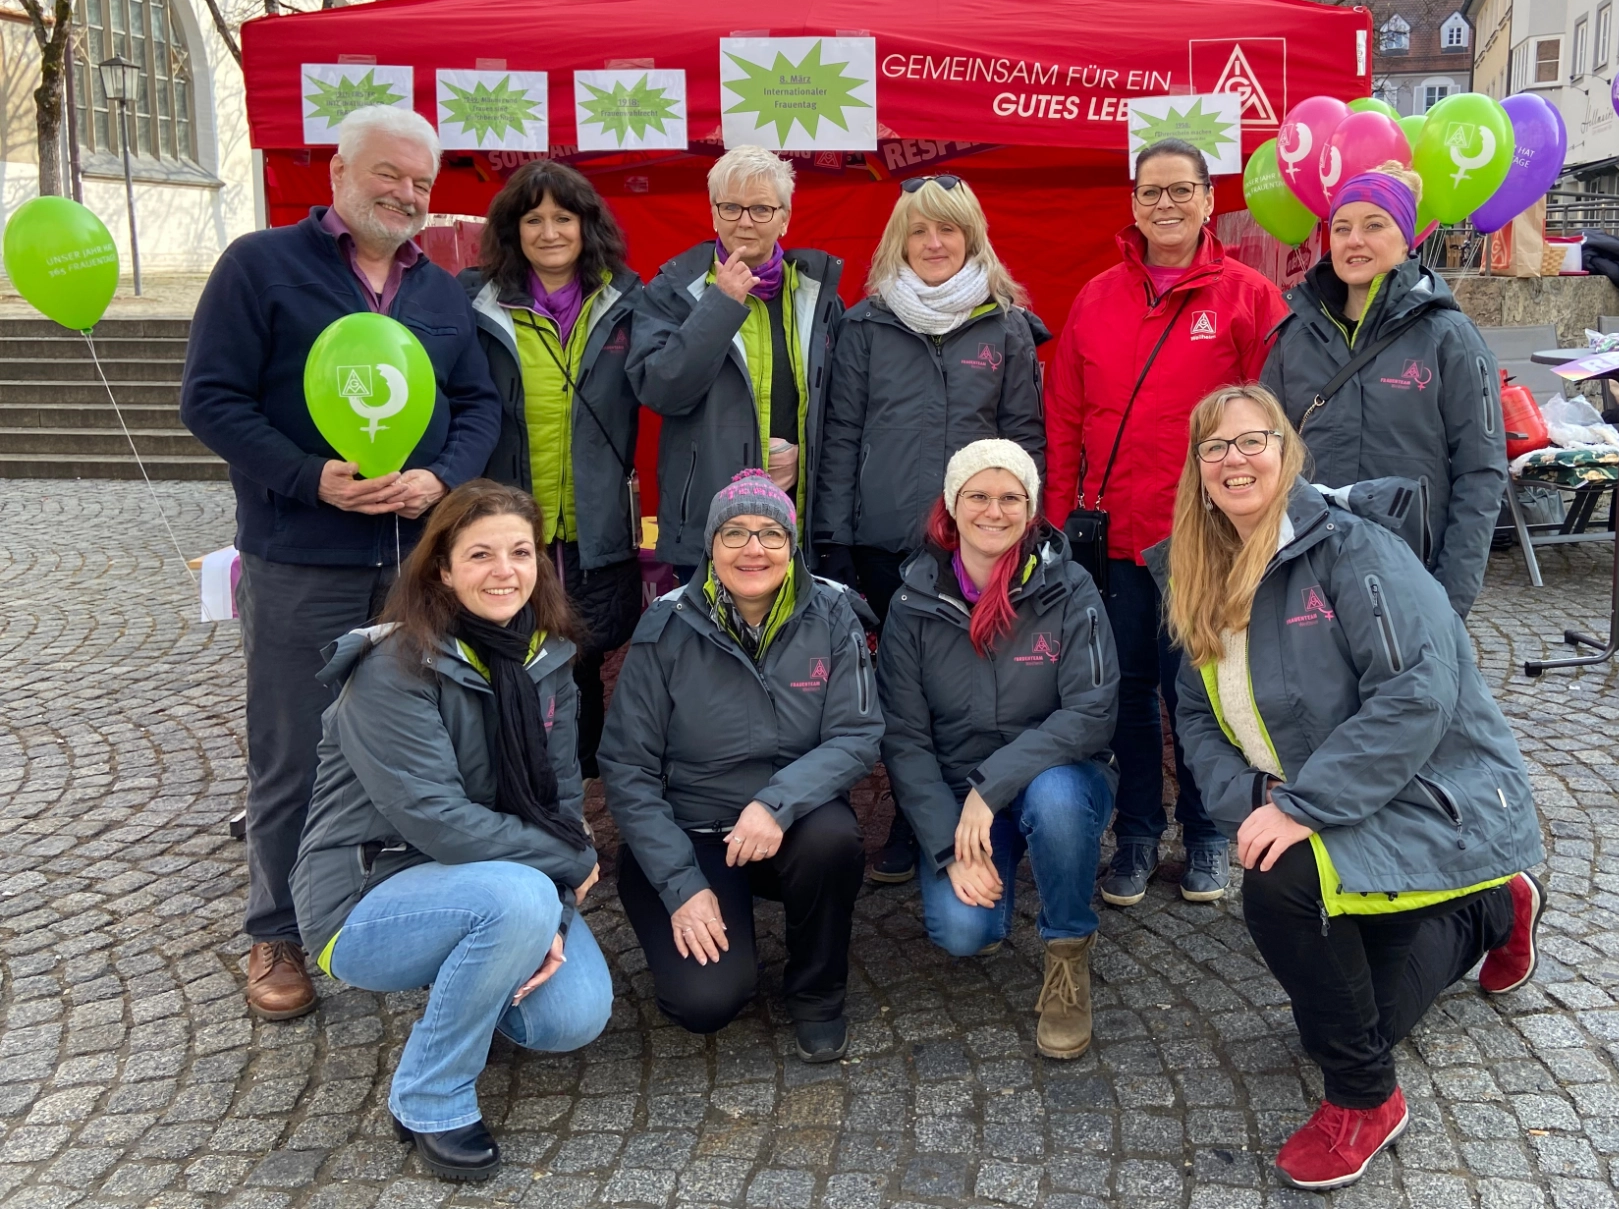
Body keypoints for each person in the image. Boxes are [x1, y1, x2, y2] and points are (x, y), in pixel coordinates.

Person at [1157, 385, 1546, 1192]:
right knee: (1348, 1016)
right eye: (1215, 448)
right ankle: (1492, 906)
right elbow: (1194, 717)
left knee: (1279, 890)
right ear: (1198, 471)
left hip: (1413, 792)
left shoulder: (1355, 551)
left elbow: (1417, 695)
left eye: (1251, 440)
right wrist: (1254, 798)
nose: (1234, 460)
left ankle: (1365, 1100)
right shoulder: (1201, 570)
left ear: (1287, 450)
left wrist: (1298, 808)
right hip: (1315, 799)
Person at [181, 105, 500, 1021]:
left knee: (425, 740)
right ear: (337, 173)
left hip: (414, 563)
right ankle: (274, 929)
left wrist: (441, 475)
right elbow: (209, 399)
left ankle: (413, 906)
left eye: (420, 183)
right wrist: (307, 477)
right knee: (291, 747)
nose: (405, 194)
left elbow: (477, 406)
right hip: (301, 557)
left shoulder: (439, 292)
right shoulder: (260, 266)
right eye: (388, 174)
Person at [292, 481, 609, 1184]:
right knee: (517, 902)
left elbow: (558, 800)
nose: (505, 570)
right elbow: (439, 820)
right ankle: (430, 1096)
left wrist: (554, 908)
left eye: (521, 551)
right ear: (442, 568)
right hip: (367, 893)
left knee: (572, 1016)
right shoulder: (390, 668)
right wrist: (561, 868)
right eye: (481, 554)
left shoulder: (548, 660)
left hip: (503, 880)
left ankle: (473, 981)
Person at [1043, 137, 1287, 907]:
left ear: (1210, 201)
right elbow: (1063, 417)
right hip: (1115, 537)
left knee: (1209, 692)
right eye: (1152, 192)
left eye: (1182, 190)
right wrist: (1056, 518)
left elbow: (1276, 424)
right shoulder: (1096, 296)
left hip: (1209, 538)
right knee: (1127, 690)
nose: (1167, 205)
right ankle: (1140, 830)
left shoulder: (1249, 297)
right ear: (1133, 203)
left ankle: (1212, 833)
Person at [600, 470, 880, 1061]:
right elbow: (627, 766)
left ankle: (818, 994)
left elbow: (857, 734)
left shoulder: (831, 613)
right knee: (706, 1004)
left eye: (771, 534)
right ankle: (702, 910)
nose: (754, 548)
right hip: (692, 834)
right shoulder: (666, 626)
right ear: (709, 546)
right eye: (735, 533)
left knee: (832, 839)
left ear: (792, 546)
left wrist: (776, 804)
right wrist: (680, 884)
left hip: (790, 822)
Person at [815, 174, 1048, 882]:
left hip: (979, 544)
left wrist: (1025, 530)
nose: (936, 242)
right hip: (886, 542)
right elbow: (842, 438)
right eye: (921, 230)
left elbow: (1024, 438)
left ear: (972, 237)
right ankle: (917, 822)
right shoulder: (865, 323)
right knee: (904, 694)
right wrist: (833, 541)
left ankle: (986, 809)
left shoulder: (1005, 325)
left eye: (950, 228)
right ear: (900, 240)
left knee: (981, 687)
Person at [878, 441, 1119, 1059]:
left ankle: (1068, 954)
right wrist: (945, 847)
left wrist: (992, 786)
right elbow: (905, 738)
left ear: (1032, 509)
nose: (994, 510)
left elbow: (1091, 712)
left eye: (1010, 497)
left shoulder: (1070, 589)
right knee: (964, 933)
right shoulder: (912, 603)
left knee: (1059, 800)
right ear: (952, 507)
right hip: (961, 802)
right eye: (978, 496)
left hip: (1056, 777)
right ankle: (992, 873)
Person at [461, 160, 644, 776]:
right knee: (506, 650)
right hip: (507, 519)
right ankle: (513, 775)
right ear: (511, 230)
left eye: (562, 217)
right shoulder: (476, 302)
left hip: (593, 523)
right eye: (532, 219)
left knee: (583, 657)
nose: (548, 232)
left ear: (586, 225)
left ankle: (579, 783)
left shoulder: (627, 299)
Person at [1262, 162, 1505, 619]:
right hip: (1308, 574)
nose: (1355, 240)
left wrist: (1449, 597)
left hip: (1409, 574)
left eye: (1375, 225)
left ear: (1406, 237)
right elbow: (1263, 454)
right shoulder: (1295, 337)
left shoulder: (1448, 336)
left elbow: (1481, 472)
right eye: (1342, 227)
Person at [627, 147, 844, 580]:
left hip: (797, 521)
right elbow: (661, 390)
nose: (744, 221)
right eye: (731, 207)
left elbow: (840, 408)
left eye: (761, 209)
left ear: (784, 218)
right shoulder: (672, 291)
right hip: (708, 522)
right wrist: (720, 306)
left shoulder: (816, 296)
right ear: (713, 214)